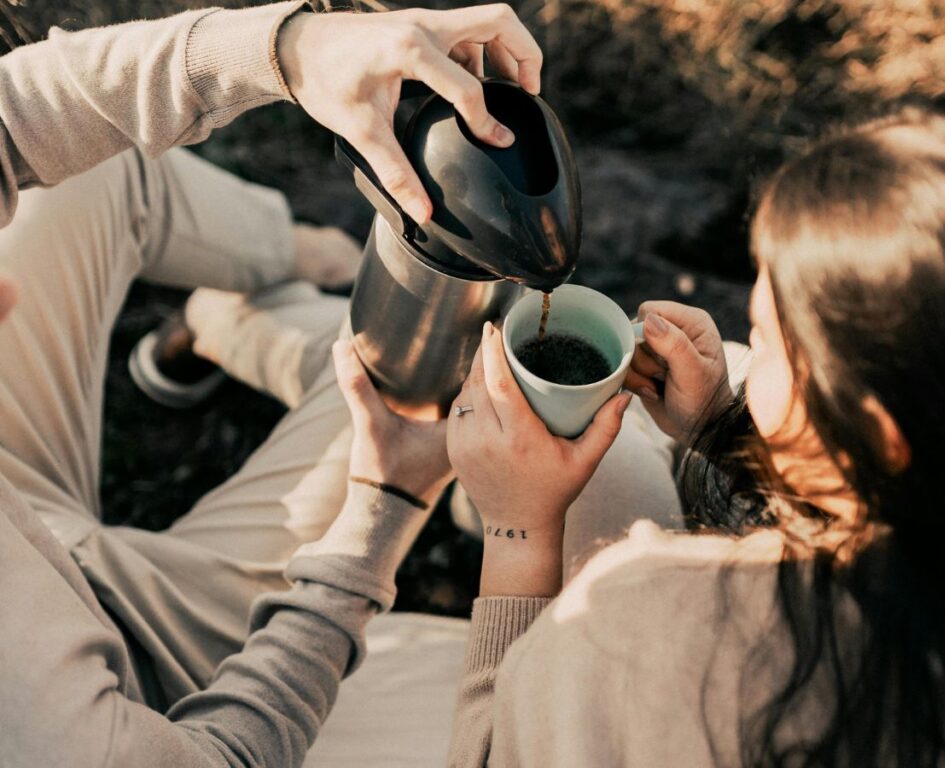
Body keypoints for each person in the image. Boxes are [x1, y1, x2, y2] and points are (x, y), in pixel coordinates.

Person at [336, 96, 945, 764]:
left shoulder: (646, 619)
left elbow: (488, 756)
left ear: (875, 438)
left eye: (769, 338)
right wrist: (727, 431)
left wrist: (518, 530)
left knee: (349, 713)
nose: (755, 351)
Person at [0, 2, 546, 765]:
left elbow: (13, 120)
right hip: (122, 682)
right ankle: (235, 324)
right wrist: (382, 513)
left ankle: (283, 270)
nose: (7, 297)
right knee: (535, 701)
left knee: (85, 173)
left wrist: (290, 49)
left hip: (26, 520)